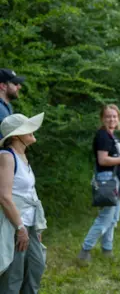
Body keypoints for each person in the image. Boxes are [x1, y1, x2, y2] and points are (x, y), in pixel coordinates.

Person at [78, 104, 120, 261]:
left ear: (118, 119)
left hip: (114, 178)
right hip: (107, 180)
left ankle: (107, 250)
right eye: (108, 116)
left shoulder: (111, 135)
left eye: (114, 116)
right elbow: (102, 160)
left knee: (113, 218)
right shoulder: (103, 135)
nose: (112, 119)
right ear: (102, 119)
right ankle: (85, 251)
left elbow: (112, 156)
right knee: (105, 217)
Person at [0, 112, 46, 294]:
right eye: (28, 128)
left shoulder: (23, 157)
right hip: (14, 223)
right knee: (14, 275)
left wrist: (37, 226)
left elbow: (29, 192)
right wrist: (20, 228)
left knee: (36, 266)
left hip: (30, 222)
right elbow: (4, 196)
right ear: (17, 136)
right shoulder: (6, 156)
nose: (33, 130)